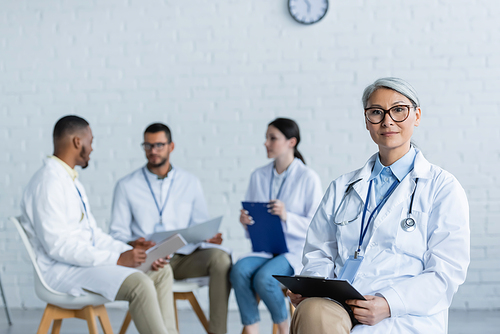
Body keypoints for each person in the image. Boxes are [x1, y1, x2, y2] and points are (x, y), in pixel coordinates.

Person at [288, 77, 470, 334]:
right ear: (366, 121)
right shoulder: (342, 187)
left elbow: (446, 272)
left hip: (404, 314)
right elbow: (319, 253)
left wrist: (388, 303)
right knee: (311, 311)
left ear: (416, 116)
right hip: (340, 306)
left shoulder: (442, 187)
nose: (387, 121)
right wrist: (312, 287)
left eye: (398, 110)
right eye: (376, 112)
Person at [20, 116, 178, 334]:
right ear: (77, 142)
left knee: (160, 271)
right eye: (90, 141)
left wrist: (130, 252)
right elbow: (58, 247)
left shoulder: (70, 180)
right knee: (139, 285)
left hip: (82, 264)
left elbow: (94, 235)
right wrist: (117, 259)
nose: (92, 148)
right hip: (63, 271)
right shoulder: (48, 183)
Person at [109, 122, 232, 334]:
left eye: (158, 145)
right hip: (150, 258)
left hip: (184, 258)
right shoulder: (126, 185)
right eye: (147, 146)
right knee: (161, 269)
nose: (153, 151)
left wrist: (207, 237)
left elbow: (199, 225)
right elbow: (116, 235)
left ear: (171, 146)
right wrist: (133, 242)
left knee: (221, 259)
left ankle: (218, 332)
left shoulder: (190, 182)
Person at [230, 118, 323, 334]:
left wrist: (286, 216)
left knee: (265, 278)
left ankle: (284, 328)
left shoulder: (308, 178)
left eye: (272, 138)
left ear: (291, 142)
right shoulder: (258, 175)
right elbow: (252, 220)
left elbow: (317, 227)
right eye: (266, 138)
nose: (266, 143)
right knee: (238, 271)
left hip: (292, 251)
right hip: (264, 248)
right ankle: (251, 326)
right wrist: (246, 222)